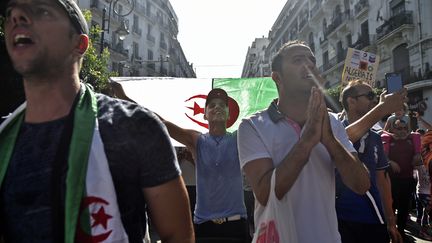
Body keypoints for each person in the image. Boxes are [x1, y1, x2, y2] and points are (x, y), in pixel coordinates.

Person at [0, 0, 194, 242]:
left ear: (79, 44)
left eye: (42, 11)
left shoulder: (135, 127)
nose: (17, 16)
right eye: (10, 14)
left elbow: (178, 235)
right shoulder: (4, 137)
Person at [237, 40, 370, 242]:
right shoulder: (252, 126)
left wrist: (330, 141)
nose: (308, 64)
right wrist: (307, 141)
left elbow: (361, 185)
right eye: (298, 60)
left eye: (311, 60)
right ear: (277, 77)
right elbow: (265, 194)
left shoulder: (332, 122)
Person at [158, 88, 249, 242]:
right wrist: (124, 98)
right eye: (212, 105)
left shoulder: (239, 138)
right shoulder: (197, 140)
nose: (217, 107)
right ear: (205, 114)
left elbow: (264, 125)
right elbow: (160, 123)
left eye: (222, 105)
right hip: (203, 226)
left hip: (236, 225)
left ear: (229, 113)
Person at [337, 80, 402, 243]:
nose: (375, 100)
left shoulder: (375, 137)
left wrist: (391, 221)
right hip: (341, 219)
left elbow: (382, 181)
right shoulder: (335, 129)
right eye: (370, 95)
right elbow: (344, 139)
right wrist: (382, 109)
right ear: (351, 101)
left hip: (374, 218)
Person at [382, 119, 423, 238]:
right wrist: (391, 162)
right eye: (399, 128)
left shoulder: (412, 140)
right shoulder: (388, 140)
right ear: (393, 129)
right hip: (392, 181)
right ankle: (390, 230)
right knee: (391, 206)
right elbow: (381, 157)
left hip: (408, 179)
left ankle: (401, 231)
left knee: (405, 207)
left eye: (405, 128)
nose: (403, 131)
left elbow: (419, 154)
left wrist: (418, 156)